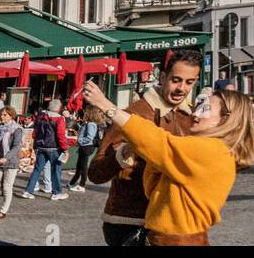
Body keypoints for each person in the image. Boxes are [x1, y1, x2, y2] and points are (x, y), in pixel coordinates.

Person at [83, 79, 253, 245]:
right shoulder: (218, 150)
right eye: (199, 105)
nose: (196, 113)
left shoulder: (212, 149)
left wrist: (107, 106)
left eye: (205, 108)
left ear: (224, 119)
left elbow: (158, 141)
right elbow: (155, 186)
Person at [88, 49, 199, 246]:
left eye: (189, 82)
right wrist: (123, 155)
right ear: (163, 77)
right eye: (176, 80)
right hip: (132, 221)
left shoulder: (190, 118)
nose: (182, 88)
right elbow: (95, 174)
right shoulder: (134, 114)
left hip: (174, 222)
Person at [20, 99, 70, 201]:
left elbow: (35, 133)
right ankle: (56, 192)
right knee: (56, 170)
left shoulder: (40, 116)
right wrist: (65, 149)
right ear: (59, 108)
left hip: (41, 147)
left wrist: (35, 145)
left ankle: (28, 191)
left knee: (37, 170)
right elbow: (60, 135)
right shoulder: (60, 119)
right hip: (54, 148)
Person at [68, 107, 104, 192]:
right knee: (79, 166)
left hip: (86, 146)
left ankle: (82, 185)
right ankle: (72, 182)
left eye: (86, 112)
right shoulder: (89, 123)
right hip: (85, 146)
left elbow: (89, 137)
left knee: (83, 167)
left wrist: (79, 141)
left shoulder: (91, 124)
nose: (84, 113)